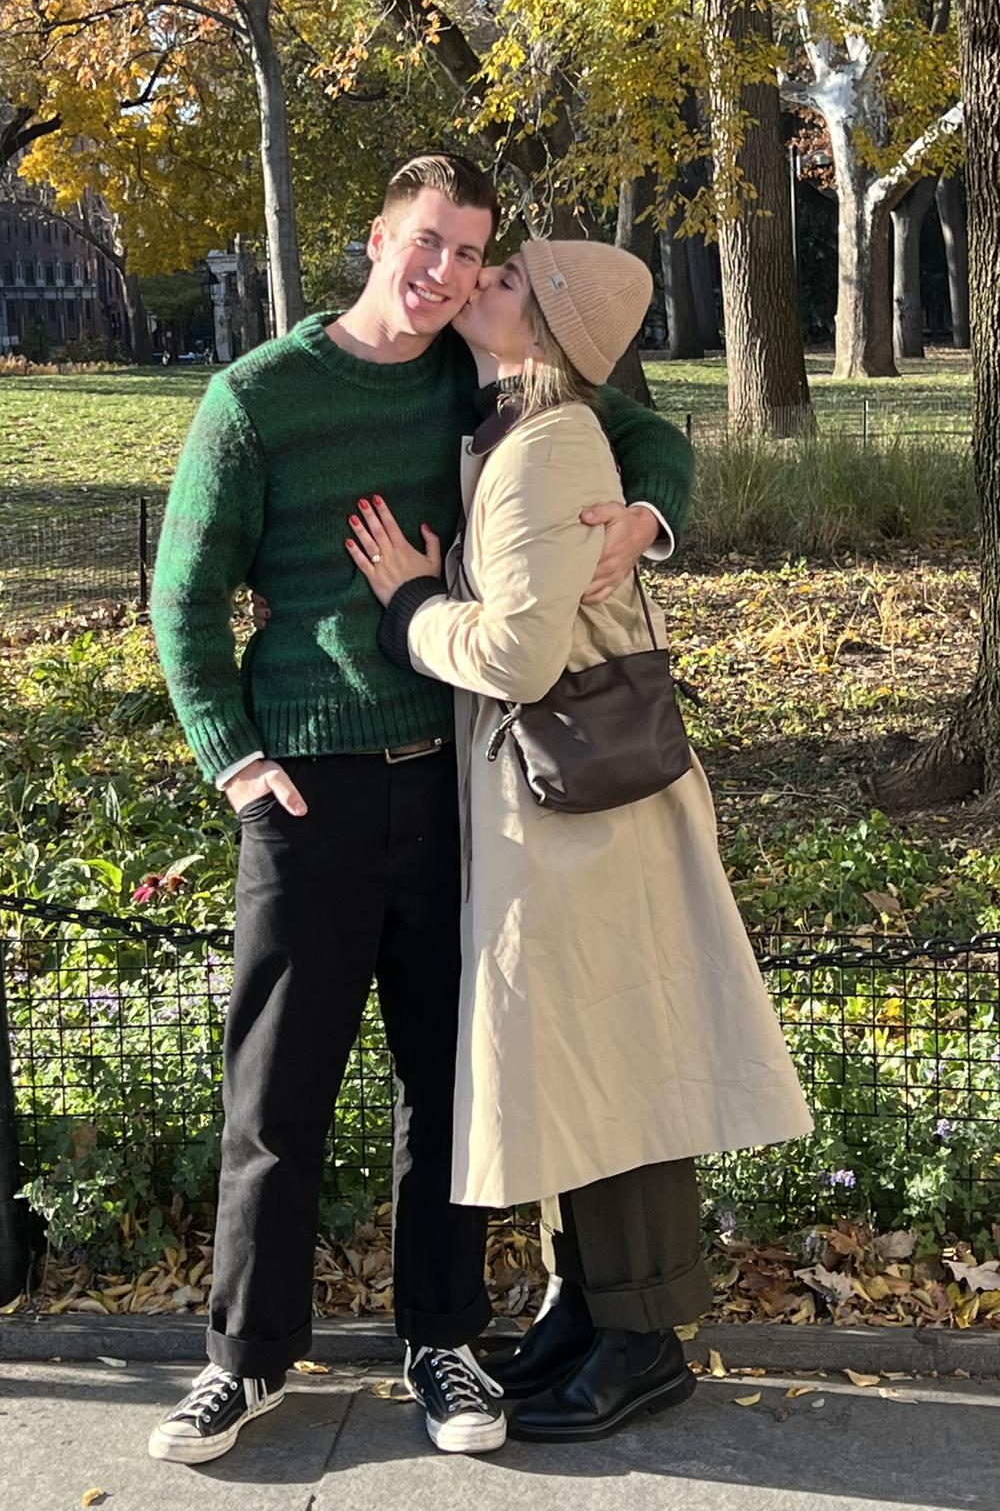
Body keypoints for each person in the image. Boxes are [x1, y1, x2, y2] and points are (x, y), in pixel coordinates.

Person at [145, 156, 693, 1463]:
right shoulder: (256, 399)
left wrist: (647, 514)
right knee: (277, 1091)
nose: (448, 274)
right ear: (378, 239)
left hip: (454, 783)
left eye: (471, 255)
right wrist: (233, 758)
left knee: (448, 1084)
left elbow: (644, 429)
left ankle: (441, 1342)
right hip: (307, 791)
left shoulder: (472, 372)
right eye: (429, 244)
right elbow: (185, 595)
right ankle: (245, 1357)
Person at [349, 237, 812, 1444]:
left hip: (581, 817)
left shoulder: (548, 443)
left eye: (506, 279)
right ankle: (591, 1308)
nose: (480, 279)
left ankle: (643, 1340)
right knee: (581, 1063)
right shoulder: (512, 421)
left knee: (616, 1067)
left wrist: (410, 605)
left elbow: (517, 655)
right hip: (558, 812)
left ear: (547, 334)